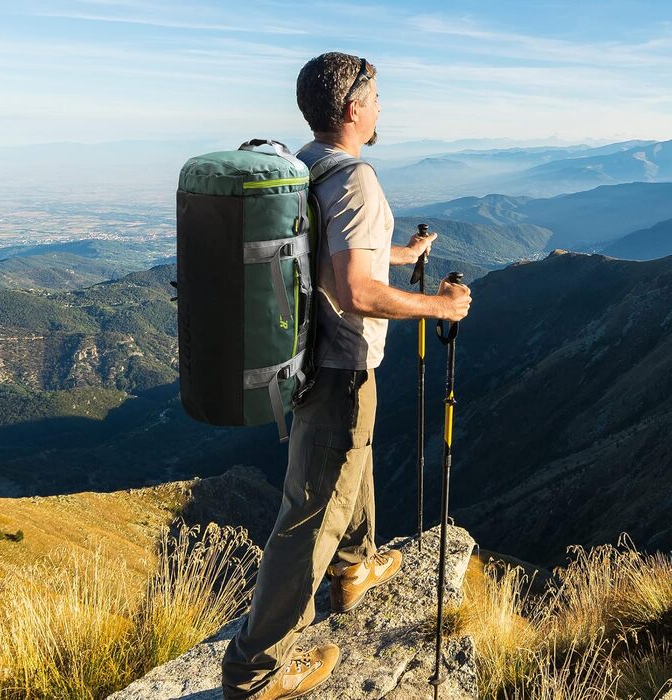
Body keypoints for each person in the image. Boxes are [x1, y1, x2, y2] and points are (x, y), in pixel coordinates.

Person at [222, 52, 472, 700]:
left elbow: (328, 251)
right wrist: (439, 306)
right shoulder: (355, 177)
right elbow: (357, 290)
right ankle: (256, 670)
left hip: (309, 359)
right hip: (338, 367)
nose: (383, 107)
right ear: (354, 107)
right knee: (310, 513)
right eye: (378, 97)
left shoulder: (304, 166)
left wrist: (401, 252)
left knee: (346, 465)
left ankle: (354, 570)